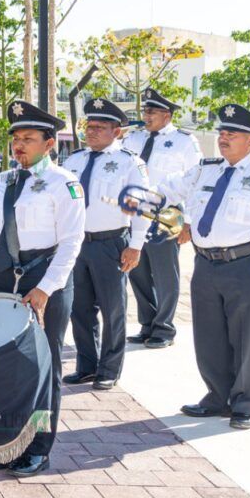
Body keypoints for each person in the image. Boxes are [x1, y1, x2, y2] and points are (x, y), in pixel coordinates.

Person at [0, 100, 84, 477]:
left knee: (42, 366)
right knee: (3, 364)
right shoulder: (2, 180)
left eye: (28, 138)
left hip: (44, 281)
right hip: (3, 277)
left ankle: (38, 446)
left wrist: (46, 289)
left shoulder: (64, 184)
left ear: (49, 143)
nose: (19, 145)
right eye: (16, 139)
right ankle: (8, 440)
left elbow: (72, 242)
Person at [150, 104, 250, 430]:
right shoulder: (205, 169)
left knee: (246, 337)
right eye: (222, 133)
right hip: (205, 264)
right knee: (209, 334)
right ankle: (217, 396)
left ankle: (245, 403)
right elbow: (167, 189)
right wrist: (177, 217)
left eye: (232, 134)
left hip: (248, 266)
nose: (223, 138)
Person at [61, 98, 151, 391]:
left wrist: (135, 245)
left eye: (100, 127)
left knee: (113, 309)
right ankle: (86, 366)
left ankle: (109, 369)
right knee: (80, 308)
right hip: (77, 244)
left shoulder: (129, 162)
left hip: (111, 242)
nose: (92, 131)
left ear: (117, 132)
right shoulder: (74, 160)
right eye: (89, 126)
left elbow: (141, 206)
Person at [121, 88, 202, 348]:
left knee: (165, 272)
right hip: (136, 212)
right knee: (138, 270)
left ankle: (164, 328)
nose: (146, 116)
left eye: (151, 112)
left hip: (167, 213)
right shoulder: (132, 139)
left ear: (167, 115)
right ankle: (147, 323)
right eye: (145, 111)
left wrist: (188, 220)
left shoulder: (184, 141)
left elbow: (195, 181)